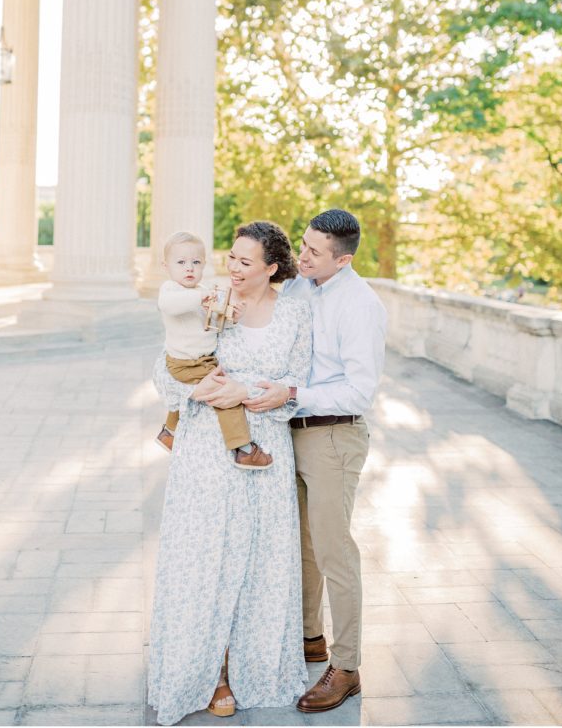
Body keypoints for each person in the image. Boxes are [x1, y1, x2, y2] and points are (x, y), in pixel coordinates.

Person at [148, 221, 311, 725]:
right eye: (231, 257)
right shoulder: (211, 301)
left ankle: (251, 666)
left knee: (259, 564)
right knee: (204, 562)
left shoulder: (294, 312)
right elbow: (169, 359)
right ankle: (209, 673)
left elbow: (298, 379)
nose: (233, 268)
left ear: (272, 267)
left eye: (245, 261)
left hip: (265, 450)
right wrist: (191, 392)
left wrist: (249, 391)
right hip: (204, 450)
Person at [245, 209, 387, 714]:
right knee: (300, 546)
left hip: (334, 437)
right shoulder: (305, 285)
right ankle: (310, 640)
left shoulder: (359, 304)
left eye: (312, 252)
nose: (299, 257)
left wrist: (292, 392)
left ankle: (347, 668)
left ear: (343, 259)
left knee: (334, 551)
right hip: (291, 432)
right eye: (302, 246)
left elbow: (360, 389)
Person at [155, 230, 272, 470]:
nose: (189, 268)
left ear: (204, 265)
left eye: (195, 262)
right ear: (166, 266)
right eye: (181, 262)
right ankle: (243, 449)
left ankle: (169, 432)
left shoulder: (203, 289)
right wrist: (200, 297)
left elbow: (213, 322)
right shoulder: (171, 290)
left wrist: (231, 317)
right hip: (185, 361)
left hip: (202, 359)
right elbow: (170, 306)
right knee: (225, 397)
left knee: (203, 391)